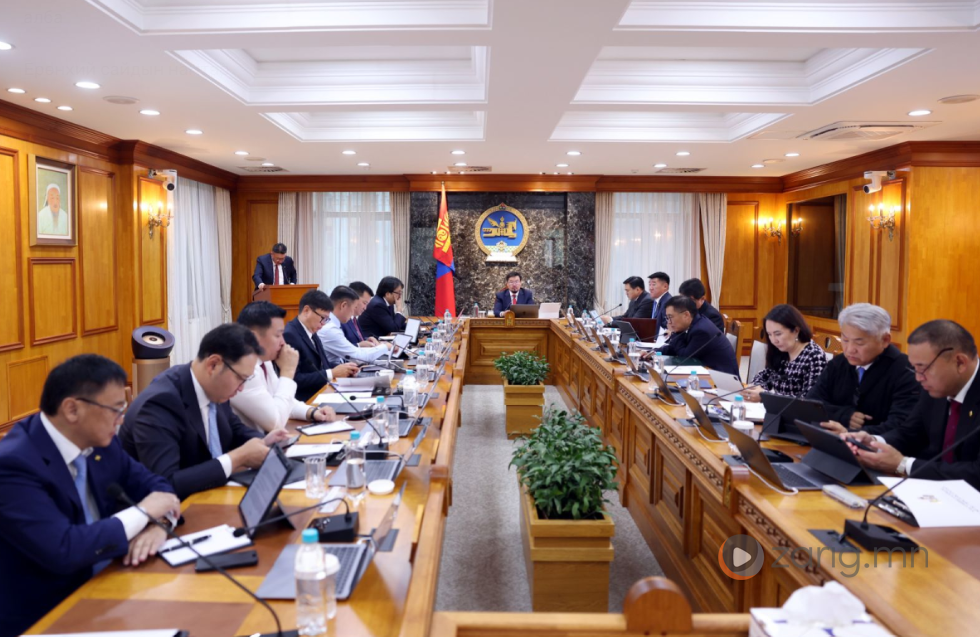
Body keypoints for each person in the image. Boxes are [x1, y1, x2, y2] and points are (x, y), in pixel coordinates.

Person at [0, 355, 179, 636]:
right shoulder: (13, 465)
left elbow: (158, 487)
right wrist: (144, 513)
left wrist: (161, 525)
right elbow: (64, 549)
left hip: (112, 584)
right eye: (115, 410)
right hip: (47, 614)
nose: (121, 420)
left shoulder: (101, 442)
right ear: (72, 410)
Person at [119, 324, 292, 499]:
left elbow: (234, 429)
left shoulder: (215, 388)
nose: (241, 388)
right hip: (165, 509)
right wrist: (237, 458)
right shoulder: (160, 403)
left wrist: (263, 441)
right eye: (241, 378)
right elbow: (166, 484)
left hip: (209, 496)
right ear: (213, 365)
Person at [845, 320, 980, 488]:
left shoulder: (942, 385)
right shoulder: (936, 386)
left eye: (923, 369)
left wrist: (904, 465)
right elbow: (910, 433)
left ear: (960, 363)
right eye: (914, 368)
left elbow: (976, 473)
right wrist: (873, 442)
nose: (918, 378)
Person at [809, 303, 920, 436]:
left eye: (859, 342)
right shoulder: (839, 363)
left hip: (880, 445)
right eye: (845, 340)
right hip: (833, 441)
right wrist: (844, 415)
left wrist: (849, 433)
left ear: (885, 340)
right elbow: (811, 403)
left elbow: (900, 425)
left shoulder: (906, 371)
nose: (850, 349)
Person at [231, 301, 338, 432]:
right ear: (253, 337)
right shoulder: (242, 371)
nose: (283, 342)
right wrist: (288, 371)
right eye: (277, 335)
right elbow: (275, 422)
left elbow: (284, 400)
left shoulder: (265, 361)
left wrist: (312, 412)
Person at [283, 289, 359, 402]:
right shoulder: (290, 335)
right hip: (306, 401)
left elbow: (322, 365)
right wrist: (332, 373)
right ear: (306, 311)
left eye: (327, 319)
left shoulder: (311, 331)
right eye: (322, 318)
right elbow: (294, 379)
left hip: (323, 392)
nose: (323, 324)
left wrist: (346, 369)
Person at [744, 304, 828, 401]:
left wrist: (766, 396)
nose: (773, 340)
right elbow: (764, 376)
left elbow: (810, 400)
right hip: (775, 409)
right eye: (769, 334)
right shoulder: (781, 350)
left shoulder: (814, 356)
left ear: (796, 330)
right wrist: (755, 388)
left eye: (778, 334)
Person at [654, 296, 739, 375]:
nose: (668, 322)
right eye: (667, 318)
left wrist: (675, 332)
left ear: (686, 315)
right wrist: (654, 353)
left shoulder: (702, 331)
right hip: (707, 373)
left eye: (670, 317)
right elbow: (675, 348)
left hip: (721, 379)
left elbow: (685, 358)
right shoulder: (695, 323)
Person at [319, 286, 391, 366]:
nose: (353, 313)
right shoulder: (330, 329)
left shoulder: (333, 324)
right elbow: (358, 356)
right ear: (343, 305)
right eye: (353, 308)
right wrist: (385, 347)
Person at [346, 281, 382, 347]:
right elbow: (342, 348)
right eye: (364, 303)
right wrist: (359, 345)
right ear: (354, 299)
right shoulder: (342, 321)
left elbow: (358, 339)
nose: (365, 308)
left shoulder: (354, 319)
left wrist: (367, 340)